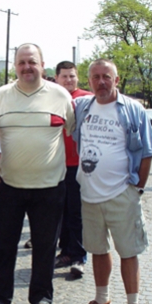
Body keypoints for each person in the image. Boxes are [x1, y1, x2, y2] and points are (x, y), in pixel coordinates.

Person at [72, 58, 152, 304]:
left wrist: (137, 188)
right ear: (89, 81)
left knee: (128, 252)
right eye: (96, 77)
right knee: (98, 249)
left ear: (116, 80)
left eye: (106, 76)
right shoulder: (82, 107)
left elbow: (147, 152)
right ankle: (102, 301)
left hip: (122, 193)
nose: (101, 82)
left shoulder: (133, 109)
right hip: (89, 194)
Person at [0, 43, 75, 304]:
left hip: (50, 186)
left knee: (45, 246)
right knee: (3, 246)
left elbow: (72, 130)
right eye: (22, 62)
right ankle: (0, 298)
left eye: (32, 62)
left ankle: (41, 297)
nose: (27, 67)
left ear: (42, 65)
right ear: (15, 66)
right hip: (9, 185)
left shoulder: (60, 96)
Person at [54, 61, 92, 278]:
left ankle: (79, 256)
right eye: (64, 76)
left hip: (79, 164)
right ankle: (66, 252)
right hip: (56, 164)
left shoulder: (87, 99)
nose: (69, 80)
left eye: (72, 76)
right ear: (57, 78)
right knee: (61, 212)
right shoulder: (52, 98)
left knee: (77, 213)